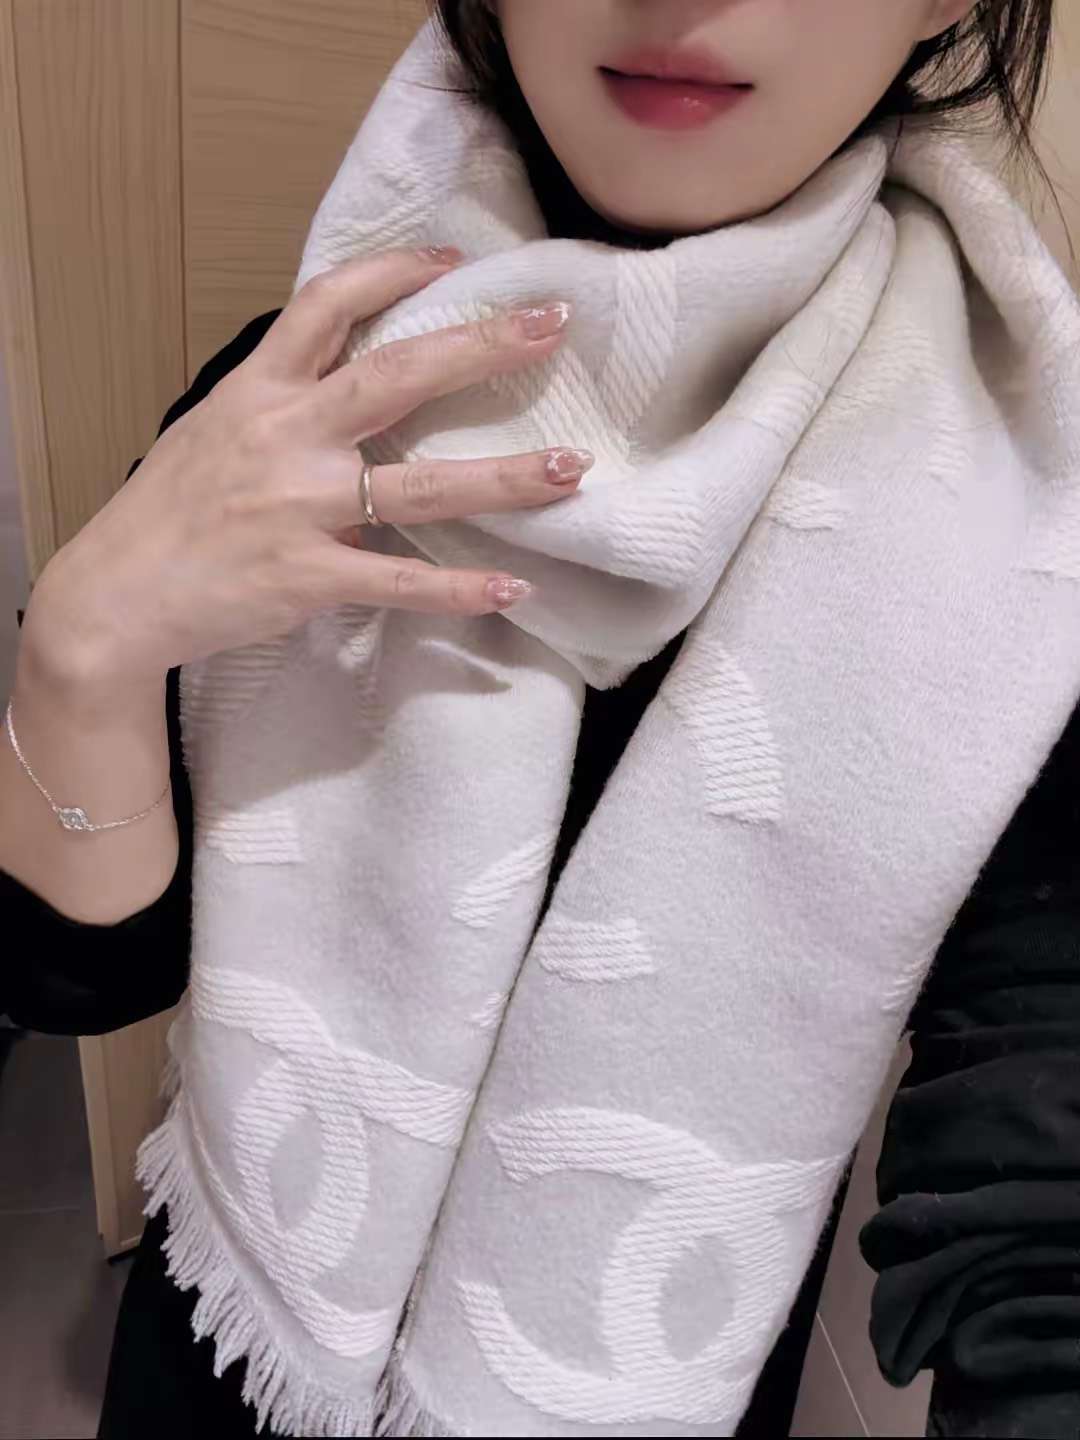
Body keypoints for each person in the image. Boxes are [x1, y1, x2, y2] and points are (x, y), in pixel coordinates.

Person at [1, 1, 1078, 1436]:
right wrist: (77, 651)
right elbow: (81, 979)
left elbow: (1034, 1200)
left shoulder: (1022, 542)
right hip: (218, 1366)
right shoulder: (300, 408)